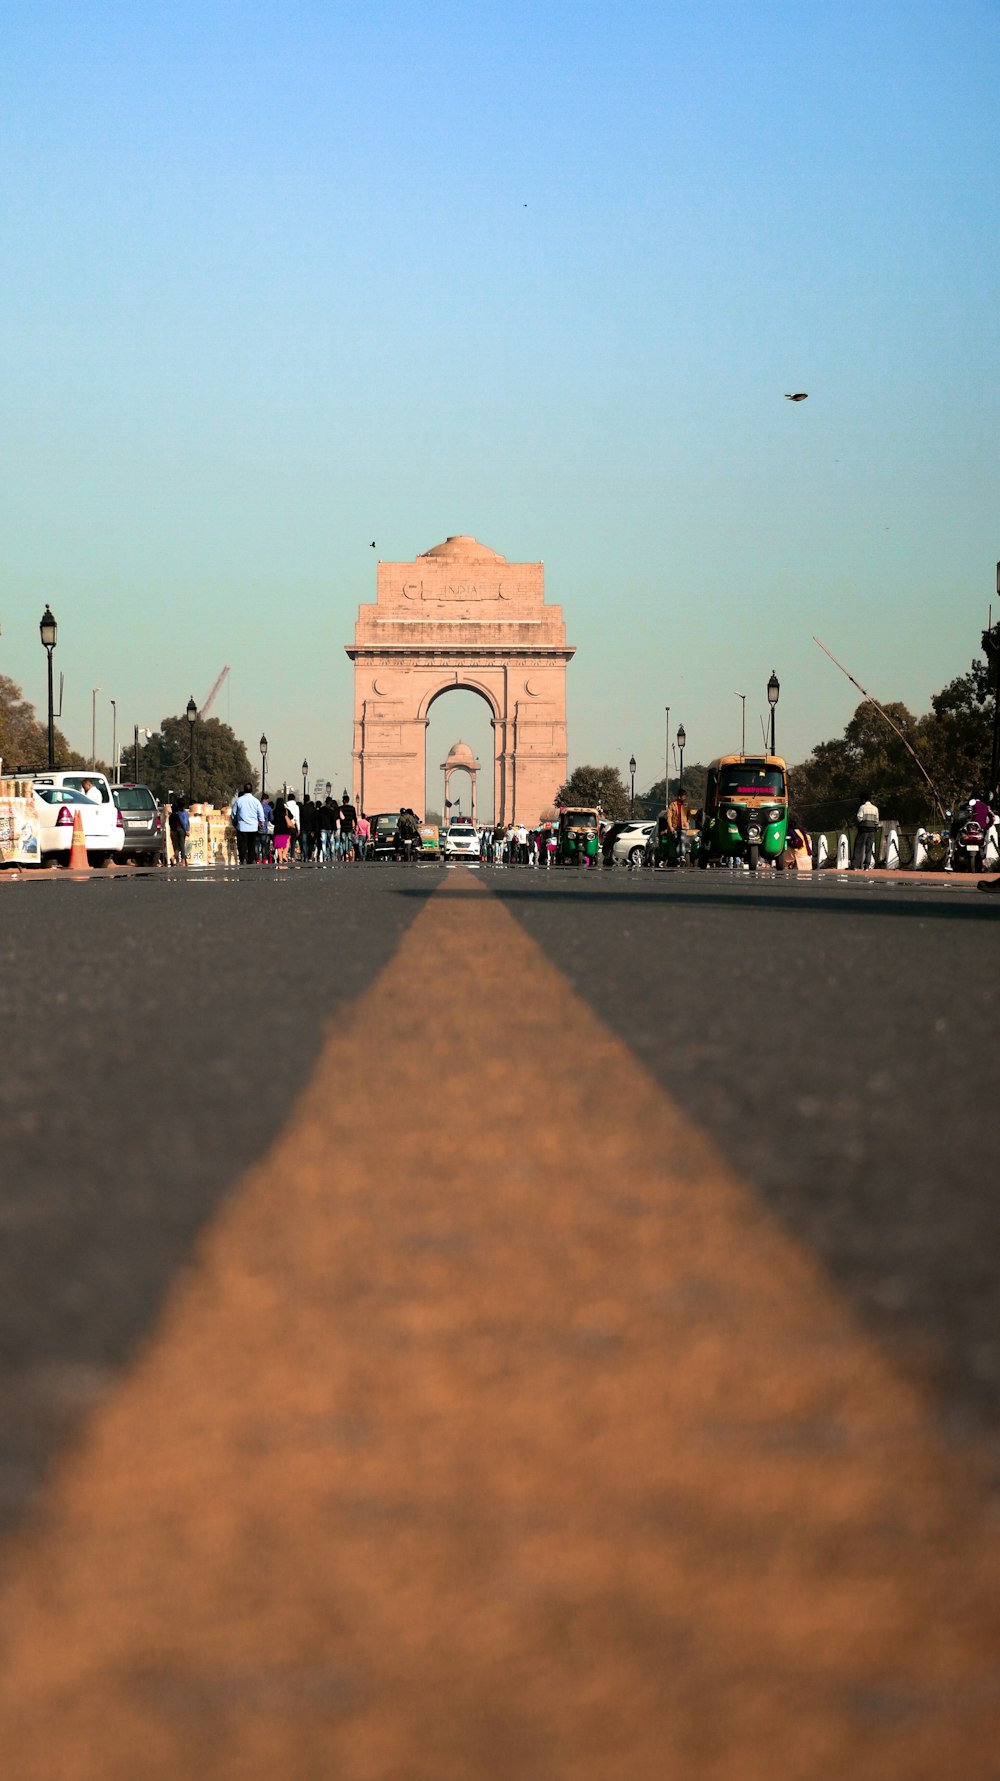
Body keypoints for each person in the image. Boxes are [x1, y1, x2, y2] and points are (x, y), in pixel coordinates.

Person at [231, 783, 265, 865]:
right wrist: (261, 822)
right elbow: (260, 813)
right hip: (253, 827)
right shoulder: (256, 801)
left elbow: (233, 813)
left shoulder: (239, 800)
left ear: (244, 790)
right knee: (252, 844)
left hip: (242, 826)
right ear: (251, 790)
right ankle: (251, 858)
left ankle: (243, 859)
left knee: (242, 844)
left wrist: (233, 821)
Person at [855, 795, 880, 870]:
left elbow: (859, 817)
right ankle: (867, 866)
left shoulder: (862, 807)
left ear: (863, 800)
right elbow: (877, 820)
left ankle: (855, 865)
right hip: (872, 830)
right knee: (869, 848)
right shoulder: (875, 808)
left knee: (858, 847)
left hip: (863, 829)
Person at [271, 795, 294, 868]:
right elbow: (292, 817)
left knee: (279, 847)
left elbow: (272, 821)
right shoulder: (286, 810)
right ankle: (284, 854)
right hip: (286, 830)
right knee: (287, 843)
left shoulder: (274, 812)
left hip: (278, 831)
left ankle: (280, 860)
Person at [168, 798, 189, 866]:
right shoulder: (183, 813)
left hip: (177, 831)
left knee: (178, 846)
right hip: (181, 830)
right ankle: (181, 860)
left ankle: (178, 859)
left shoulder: (174, 815)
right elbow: (185, 822)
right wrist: (187, 829)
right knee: (181, 846)